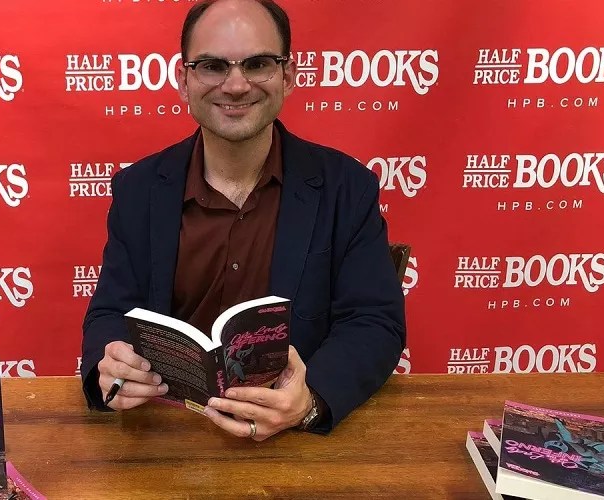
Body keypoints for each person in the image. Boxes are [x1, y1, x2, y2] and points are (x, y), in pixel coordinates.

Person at [81, 0, 405, 440]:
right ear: (185, 80)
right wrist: (112, 364)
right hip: (165, 434)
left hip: (294, 443)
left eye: (257, 64)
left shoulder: (348, 188)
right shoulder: (137, 191)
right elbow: (110, 313)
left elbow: (374, 321)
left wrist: (310, 401)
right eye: (212, 65)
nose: (236, 85)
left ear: (288, 76)